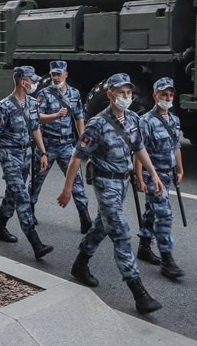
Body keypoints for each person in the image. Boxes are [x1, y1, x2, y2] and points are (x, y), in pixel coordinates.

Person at [57, 73, 165, 315]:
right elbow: (76, 158)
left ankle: (80, 264)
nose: (125, 97)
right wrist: (66, 190)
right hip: (105, 183)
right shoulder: (96, 125)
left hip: (123, 182)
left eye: (128, 93)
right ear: (110, 95)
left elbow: (139, 148)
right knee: (121, 233)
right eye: (121, 93)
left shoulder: (133, 119)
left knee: (102, 226)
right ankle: (139, 293)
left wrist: (152, 175)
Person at [0, 66, 53, 260]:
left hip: (26, 154)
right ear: (24, 82)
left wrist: (43, 152)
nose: (35, 83)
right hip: (10, 156)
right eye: (33, 80)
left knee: (12, 194)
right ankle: (36, 243)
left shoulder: (32, 103)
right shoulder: (4, 107)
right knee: (22, 197)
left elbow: (35, 129)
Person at [31, 60, 92, 234]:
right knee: (37, 180)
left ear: (66, 74)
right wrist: (55, 116)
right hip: (48, 143)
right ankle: (30, 209)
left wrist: (82, 139)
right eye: (53, 75)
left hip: (67, 144)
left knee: (76, 181)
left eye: (59, 74)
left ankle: (84, 217)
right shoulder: (44, 94)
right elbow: (37, 118)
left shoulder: (74, 94)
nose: (56, 78)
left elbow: (79, 117)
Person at [135, 76, 185, 280]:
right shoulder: (146, 121)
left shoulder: (174, 120)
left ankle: (144, 246)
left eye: (170, 94)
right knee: (164, 214)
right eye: (163, 94)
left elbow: (176, 146)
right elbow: (139, 150)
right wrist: (139, 176)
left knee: (152, 210)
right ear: (155, 95)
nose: (167, 97)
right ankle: (167, 260)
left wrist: (180, 169)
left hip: (167, 174)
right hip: (152, 175)